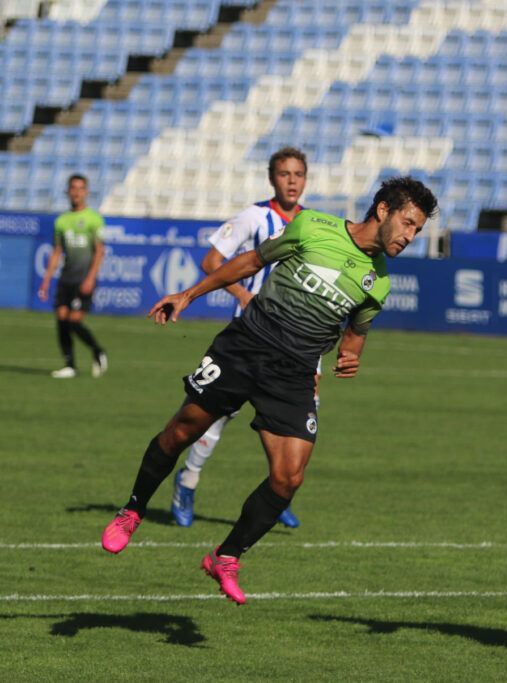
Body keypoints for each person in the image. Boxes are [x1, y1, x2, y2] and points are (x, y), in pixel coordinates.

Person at [100, 177, 438, 606]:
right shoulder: (314, 227)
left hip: (294, 373)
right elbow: (249, 263)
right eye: (408, 223)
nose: (411, 237)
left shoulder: (379, 282)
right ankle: (133, 510)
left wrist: (351, 356)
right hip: (247, 345)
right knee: (181, 431)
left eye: (418, 231)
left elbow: (354, 335)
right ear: (384, 210)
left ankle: (226, 556)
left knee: (289, 477)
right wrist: (188, 295)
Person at [170, 147, 308, 530]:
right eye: (284, 174)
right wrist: (243, 294)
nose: (292, 180)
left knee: (285, 429)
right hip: (248, 342)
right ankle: (187, 481)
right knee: (213, 421)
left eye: (298, 174)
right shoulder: (255, 217)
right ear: (272, 179)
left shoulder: (312, 224)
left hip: (293, 347)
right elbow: (212, 262)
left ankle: (276, 496)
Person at [37, 174, 108, 379]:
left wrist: (90, 279)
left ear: (86, 192)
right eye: (73, 188)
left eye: (80, 188)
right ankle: (70, 365)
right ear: (67, 191)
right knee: (61, 320)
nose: (76, 192)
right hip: (66, 278)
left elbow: (99, 251)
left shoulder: (94, 219)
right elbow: (57, 251)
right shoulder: (62, 221)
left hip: (83, 278)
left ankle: (97, 350)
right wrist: (46, 280)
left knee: (74, 321)